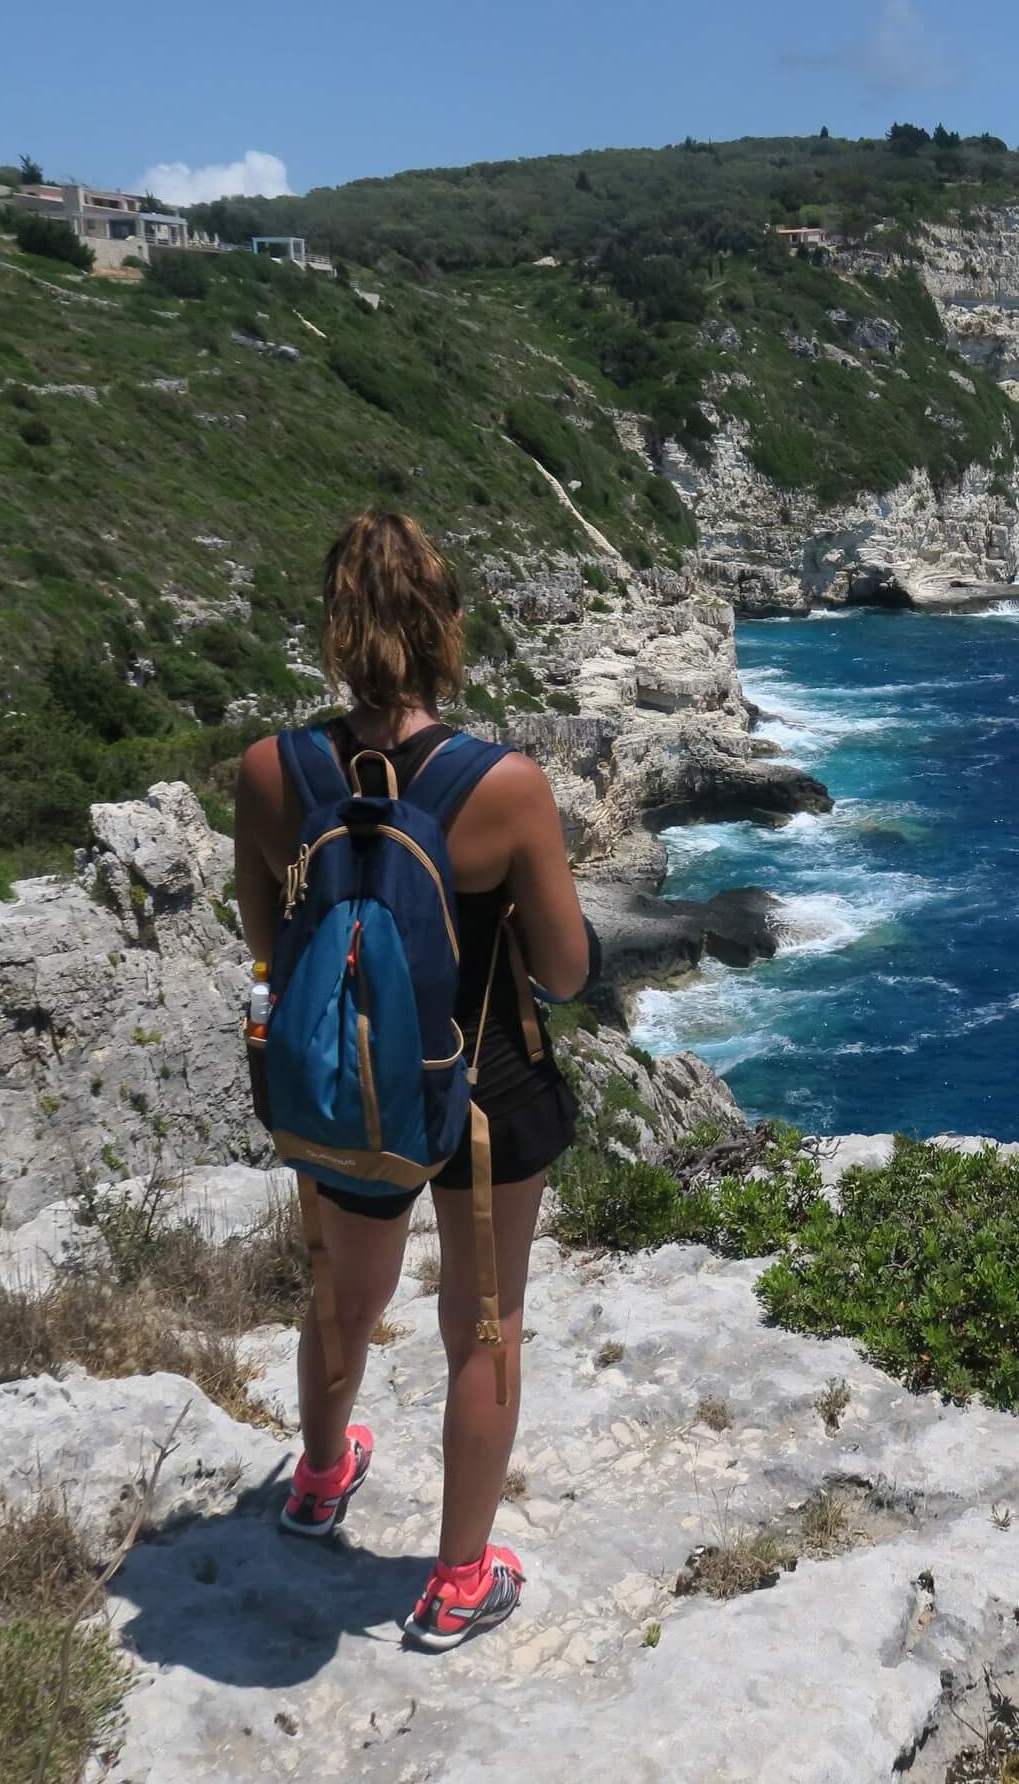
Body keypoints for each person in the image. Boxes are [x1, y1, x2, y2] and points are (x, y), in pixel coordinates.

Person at [232, 509, 594, 1650]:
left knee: (345, 1291)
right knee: (484, 1325)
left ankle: (321, 1477)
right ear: (449, 628)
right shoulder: (505, 784)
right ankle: (454, 1581)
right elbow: (567, 971)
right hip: (486, 1094)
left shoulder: (269, 769)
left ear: (334, 632)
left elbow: (265, 933)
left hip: (348, 1086)